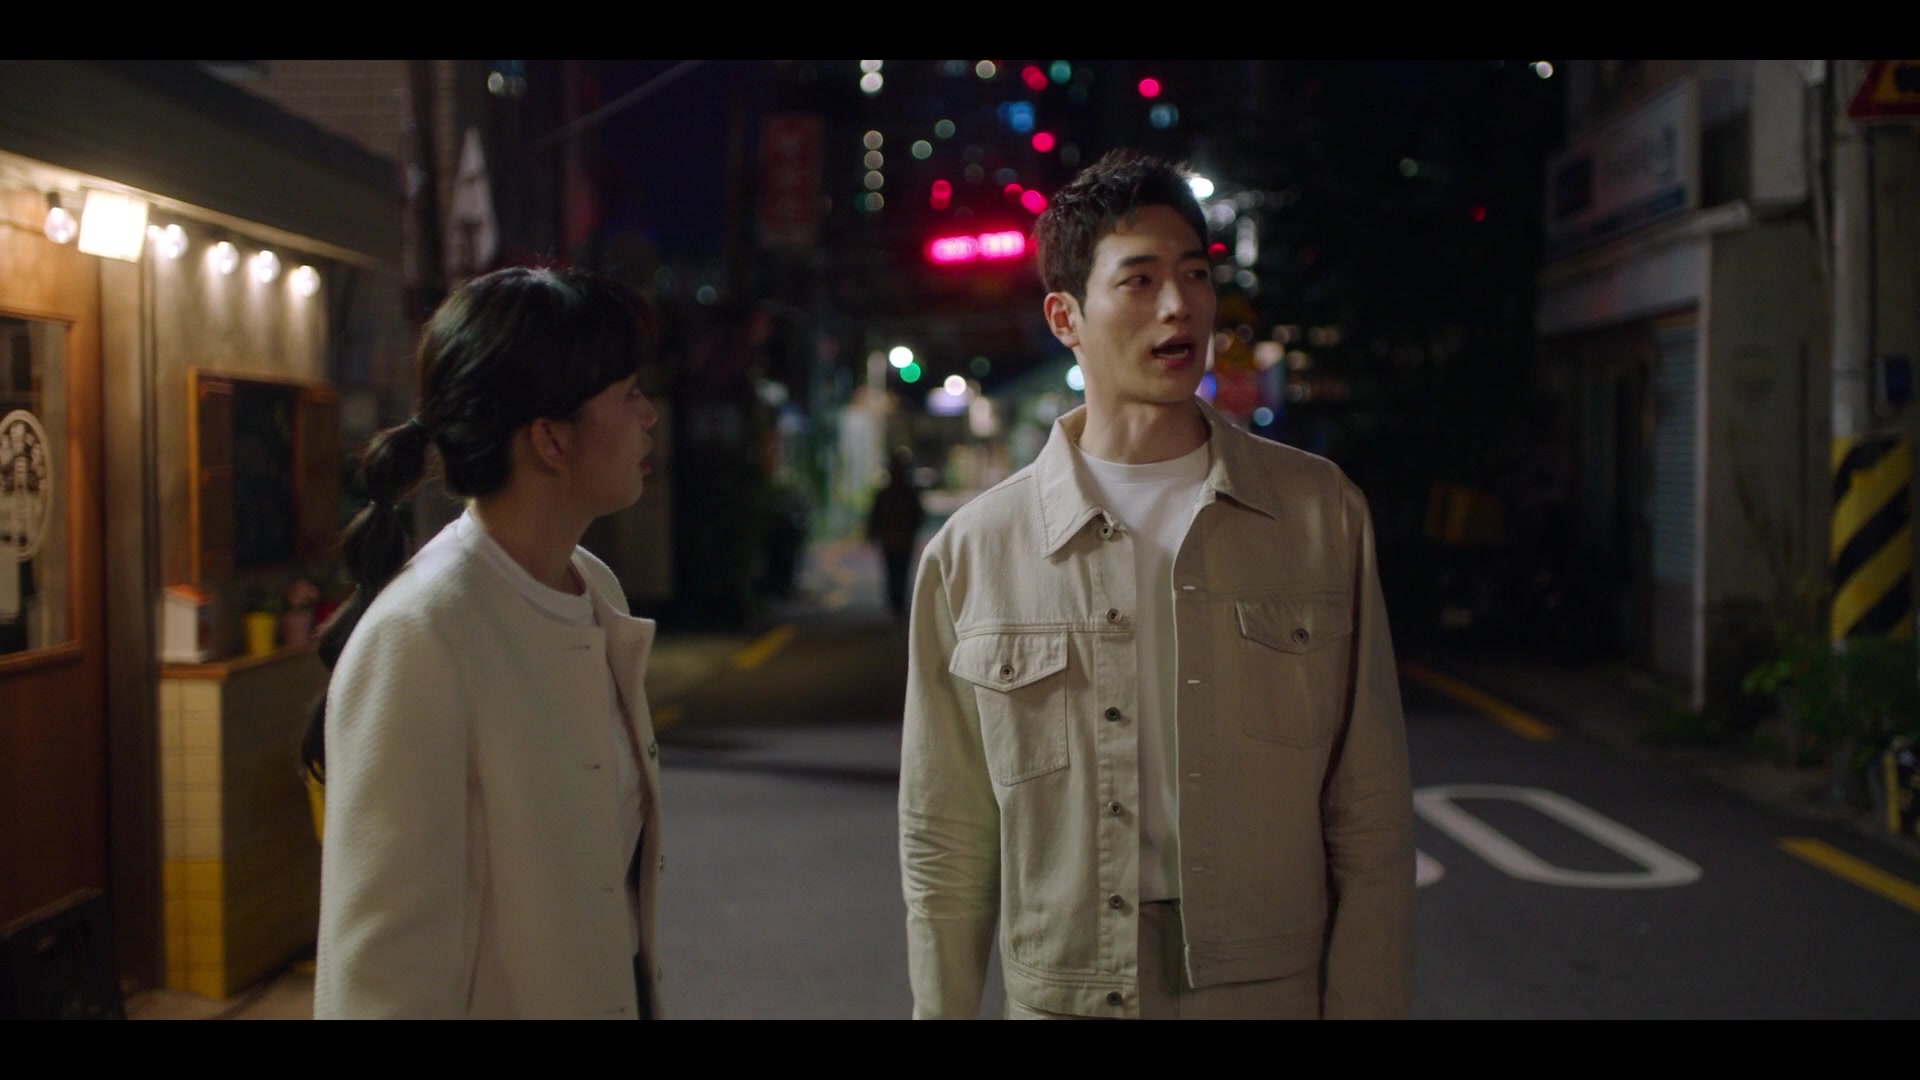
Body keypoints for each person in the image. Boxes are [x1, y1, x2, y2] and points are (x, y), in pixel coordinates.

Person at [897, 149, 1414, 1020]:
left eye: (1195, 274)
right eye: (1139, 280)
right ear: (1065, 316)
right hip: (1068, 989)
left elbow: (1370, 809)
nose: (1179, 305)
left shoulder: (1318, 512)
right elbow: (944, 836)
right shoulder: (974, 552)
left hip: (1261, 987)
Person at [303, 266, 666, 1019]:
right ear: (550, 439)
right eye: (629, 393)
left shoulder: (591, 585)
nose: (649, 415)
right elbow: (382, 971)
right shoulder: (422, 632)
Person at [867, 448, 927, 617]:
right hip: (894, 539)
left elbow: (918, 516)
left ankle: (897, 601)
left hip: (900, 539)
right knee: (895, 570)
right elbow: (876, 515)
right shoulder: (890, 494)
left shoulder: (906, 494)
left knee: (899, 570)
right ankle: (895, 601)